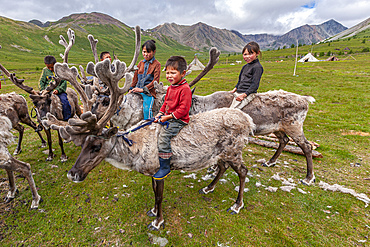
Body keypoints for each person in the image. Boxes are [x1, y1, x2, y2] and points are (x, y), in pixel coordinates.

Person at [153, 56, 192, 180]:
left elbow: (183, 110)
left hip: (179, 119)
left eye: (173, 73)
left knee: (164, 137)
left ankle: (165, 166)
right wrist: (160, 113)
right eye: (168, 73)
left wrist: (168, 117)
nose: (169, 76)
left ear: (183, 73)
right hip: (169, 116)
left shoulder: (185, 89)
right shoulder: (170, 88)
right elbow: (165, 103)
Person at [129, 40, 161, 119]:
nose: (146, 54)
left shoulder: (157, 64)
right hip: (136, 89)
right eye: (144, 52)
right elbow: (135, 78)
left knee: (147, 109)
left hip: (148, 92)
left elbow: (155, 81)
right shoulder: (140, 63)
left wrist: (143, 90)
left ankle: (148, 125)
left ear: (154, 52)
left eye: (148, 52)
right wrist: (130, 88)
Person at [229, 41, 263, 109]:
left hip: (249, 94)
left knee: (234, 111)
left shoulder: (257, 67)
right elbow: (240, 81)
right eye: (245, 54)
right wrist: (234, 89)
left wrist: (244, 95)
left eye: (251, 54)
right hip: (239, 92)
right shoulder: (244, 67)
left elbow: (254, 85)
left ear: (258, 53)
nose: (247, 57)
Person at [39, 55, 71, 121]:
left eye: (52, 67)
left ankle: (66, 119)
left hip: (59, 92)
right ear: (45, 65)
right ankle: (41, 119)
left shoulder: (60, 70)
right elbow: (41, 81)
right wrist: (42, 90)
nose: (50, 69)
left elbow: (64, 82)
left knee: (65, 102)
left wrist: (58, 90)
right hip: (47, 92)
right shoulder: (45, 71)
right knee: (40, 103)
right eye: (48, 67)